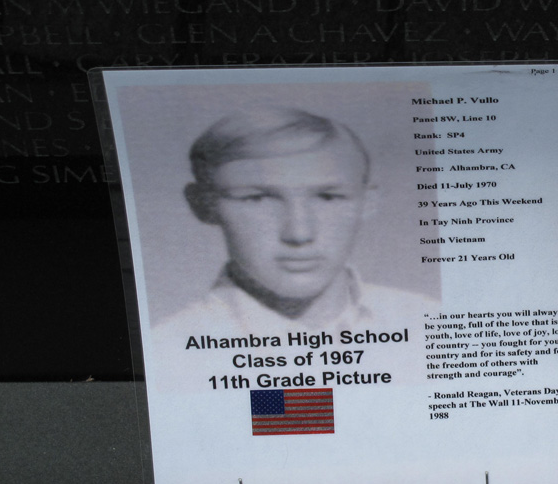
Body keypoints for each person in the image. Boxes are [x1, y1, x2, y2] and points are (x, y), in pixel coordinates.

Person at [154, 106, 428, 336]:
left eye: (328, 197)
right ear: (203, 204)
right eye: (257, 198)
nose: (299, 233)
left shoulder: (430, 323)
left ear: (368, 203)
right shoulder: (165, 353)